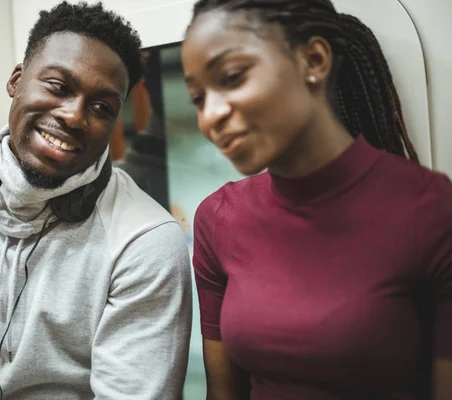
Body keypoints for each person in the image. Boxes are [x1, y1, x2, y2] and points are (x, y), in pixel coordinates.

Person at [0, 2, 192, 399]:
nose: (74, 116)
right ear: (16, 80)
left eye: (101, 107)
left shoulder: (145, 243)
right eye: (58, 86)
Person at [181, 0, 452, 399]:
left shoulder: (431, 211)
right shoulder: (219, 218)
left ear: (314, 59)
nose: (211, 116)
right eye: (198, 98)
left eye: (233, 77)